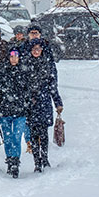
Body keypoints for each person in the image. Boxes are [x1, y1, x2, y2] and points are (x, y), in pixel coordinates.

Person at [24, 38, 63, 172]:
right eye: (34, 49)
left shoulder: (47, 64)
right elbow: (22, 84)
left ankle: (45, 157)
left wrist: (57, 102)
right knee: (33, 134)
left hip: (44, 101)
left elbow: (53, 86)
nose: (36, 52)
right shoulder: (26, 63)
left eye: (38, 49)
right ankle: (36, 161)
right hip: (30, 103)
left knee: (44, 133)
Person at [0, 48, 31, 178]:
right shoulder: (2, 72)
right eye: (11, 56)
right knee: (8, 138)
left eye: (16, 56)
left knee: (17, 138)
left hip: (20, 111)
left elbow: (28, 92)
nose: (14, 59)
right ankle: (10, 160)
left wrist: (27, 107)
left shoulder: (24, 72)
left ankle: (15, 161)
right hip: (4, 112)